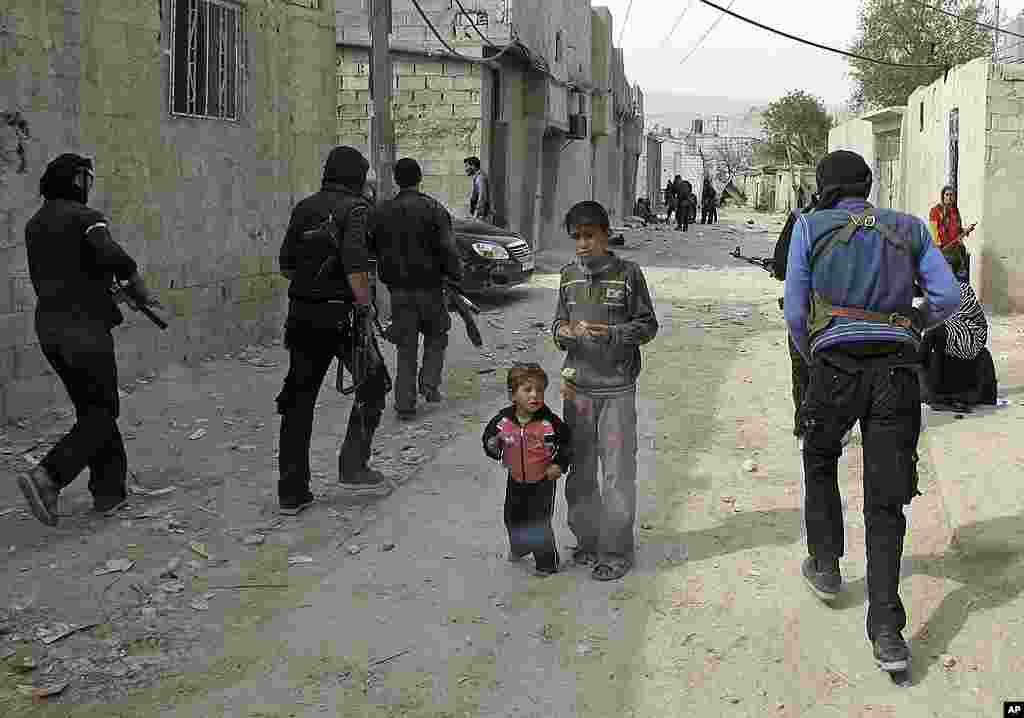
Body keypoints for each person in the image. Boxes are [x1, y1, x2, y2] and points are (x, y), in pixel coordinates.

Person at [784, 150, 960, 675]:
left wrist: (815, 348)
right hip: (897, 374)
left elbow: (795, 312)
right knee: (887, 499)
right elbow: (949, 298)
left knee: (819, 456)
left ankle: (826, 563)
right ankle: (887, 632)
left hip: (834, 366)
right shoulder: (908, 228)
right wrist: (910, 321)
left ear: (825, 186)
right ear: (868, 184)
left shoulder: (810, 227)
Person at [17, 154, 160, 526]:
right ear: (79, 180)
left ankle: (108, 492)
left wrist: (107, 291)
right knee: (103, 412)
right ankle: (49, 476)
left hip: (49, 329)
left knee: (92, 410)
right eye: (88, 179)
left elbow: (72, 273)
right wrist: (136, 287)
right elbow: (113, 256)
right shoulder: (86, 218)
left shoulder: (35, 223)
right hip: (83, 331)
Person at [276, 146, 393, 514]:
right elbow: (357, 267)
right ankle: (353, 465)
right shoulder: (356, 210)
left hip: (301, 317)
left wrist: (314, 284)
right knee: (373, 385)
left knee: (298, 403)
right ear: (357, 177)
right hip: (342, 319)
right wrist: (364, 305)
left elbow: (286, 267)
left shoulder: (304, 207)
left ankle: (292, 492)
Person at [552, 200, 659, 582]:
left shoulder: (629, 274)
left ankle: (615, 551)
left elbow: (648, 325)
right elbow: (558, 324)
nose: (582, 244)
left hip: (616, 391)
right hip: (577, 391)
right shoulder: (567, 277)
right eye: (576, 237)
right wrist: (563, 333)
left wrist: (613, 334)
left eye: (589, 236)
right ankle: (587, 540)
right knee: (580, 474)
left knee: (616, 473)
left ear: (605, 234)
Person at [369, 158, 463, 420]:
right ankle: (429, 385)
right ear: (419, 178)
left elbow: (371, 250)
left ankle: (404, 404)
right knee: (437, 336)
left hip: (398, 293)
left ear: (397, 180)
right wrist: (456, 276)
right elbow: (448, 248)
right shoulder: (433, 209)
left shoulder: (382, 212)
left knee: (405, 347)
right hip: (431, 290)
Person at [482, 364, 573, 576]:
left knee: (538, 522)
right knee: (512, 517)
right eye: (527, 390)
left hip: (542, 480)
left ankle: (546, 563)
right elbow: (489, 439)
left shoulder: (549, 422)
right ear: (512, 395)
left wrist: (558, 464)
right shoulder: (502, 421)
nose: (535, 395)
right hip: (515, 479)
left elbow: (566, 444)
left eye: (540, 390)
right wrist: (492, 445)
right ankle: (521, 547)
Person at [918, 279, 997, 412]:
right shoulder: (977, 324)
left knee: (931, 341)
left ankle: (937, 395)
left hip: (944, 389)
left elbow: (920, 359)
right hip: (976, 391)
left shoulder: (938, 327)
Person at [928, 186, 975, 282]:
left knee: (959, 279)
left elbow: (957, 230)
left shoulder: (955, 211)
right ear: (943, 196)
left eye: (951, 195)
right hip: (944, 251)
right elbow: (934, 230)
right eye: (947, 195)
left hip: (956, 250)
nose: (949, 197)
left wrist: (966, 230)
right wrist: (938, 248)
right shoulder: (935, 211)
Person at [464, 156, 491, 222]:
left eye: (466, 166)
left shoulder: (480, 178)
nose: (465, 169)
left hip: (481, 217)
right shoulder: (477, 178)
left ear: (473, 166)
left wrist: (476, 215)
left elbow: (482, 197)